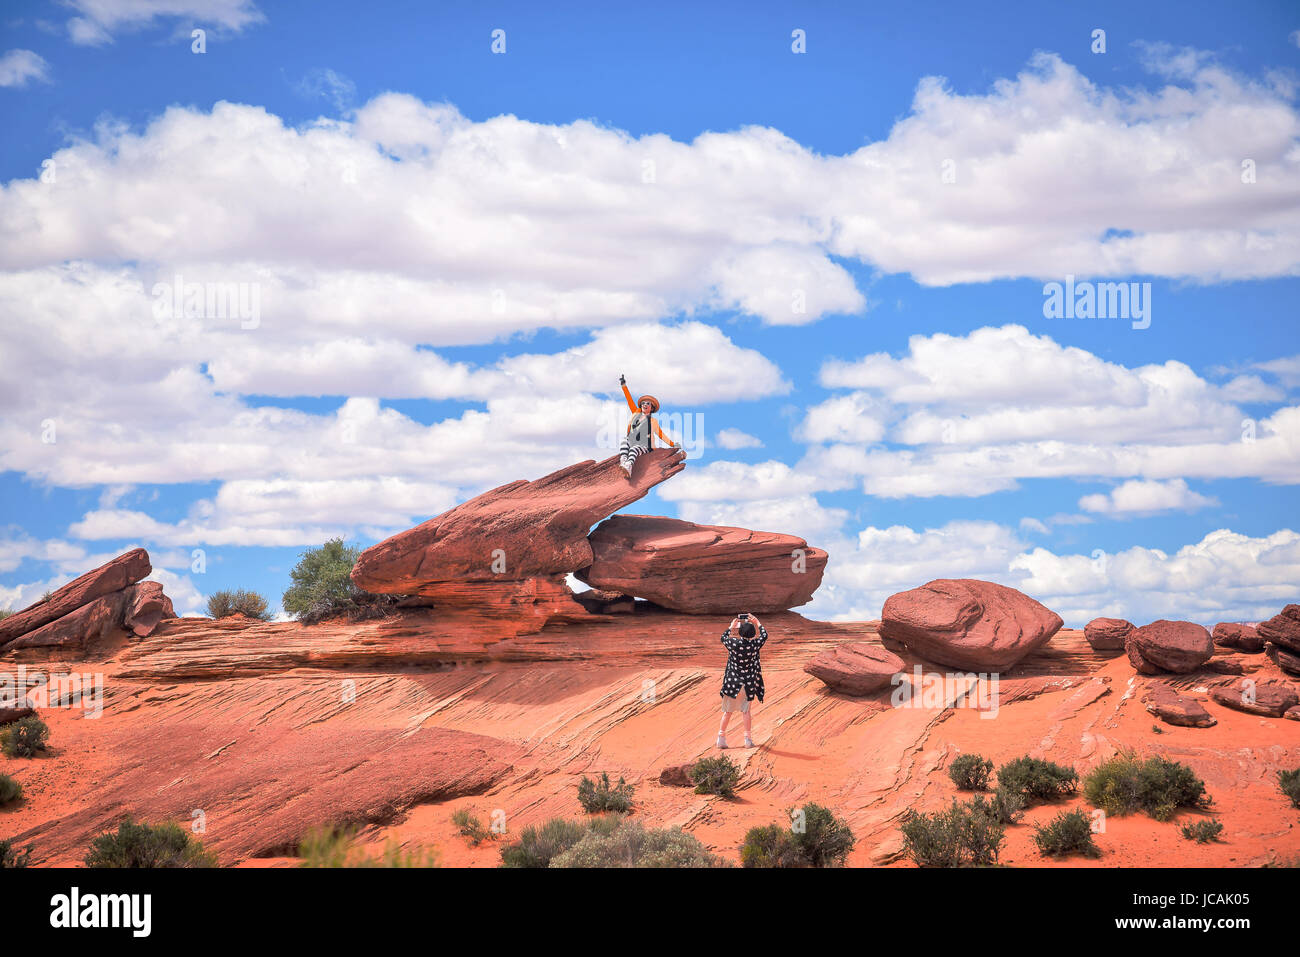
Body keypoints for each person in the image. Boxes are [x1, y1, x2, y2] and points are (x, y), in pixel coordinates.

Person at [716, 613, 767, 749]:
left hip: (733, 683)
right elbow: (764, 636)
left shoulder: (733, 643)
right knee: (746, 712)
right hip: (748, 684)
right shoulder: (755, 645)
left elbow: (723, 638)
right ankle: (748, 740)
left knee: (728, 711)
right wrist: (757, 622)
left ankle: (721, 738)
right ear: (752, 633)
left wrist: (731, 627)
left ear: (740, 632)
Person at [617, 373, 680, 478]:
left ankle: (629, 466)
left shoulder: (653, 421)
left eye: (648, 403)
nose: (645, 405)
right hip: (632, 440)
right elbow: (629, 400)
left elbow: (661, 435)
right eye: (643, 403)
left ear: (652, 408)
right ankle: (623, 461)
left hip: (644, 446)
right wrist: (624, 386)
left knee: (634, 449)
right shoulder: (636, 414)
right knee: (624, 440)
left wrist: (673, 444)